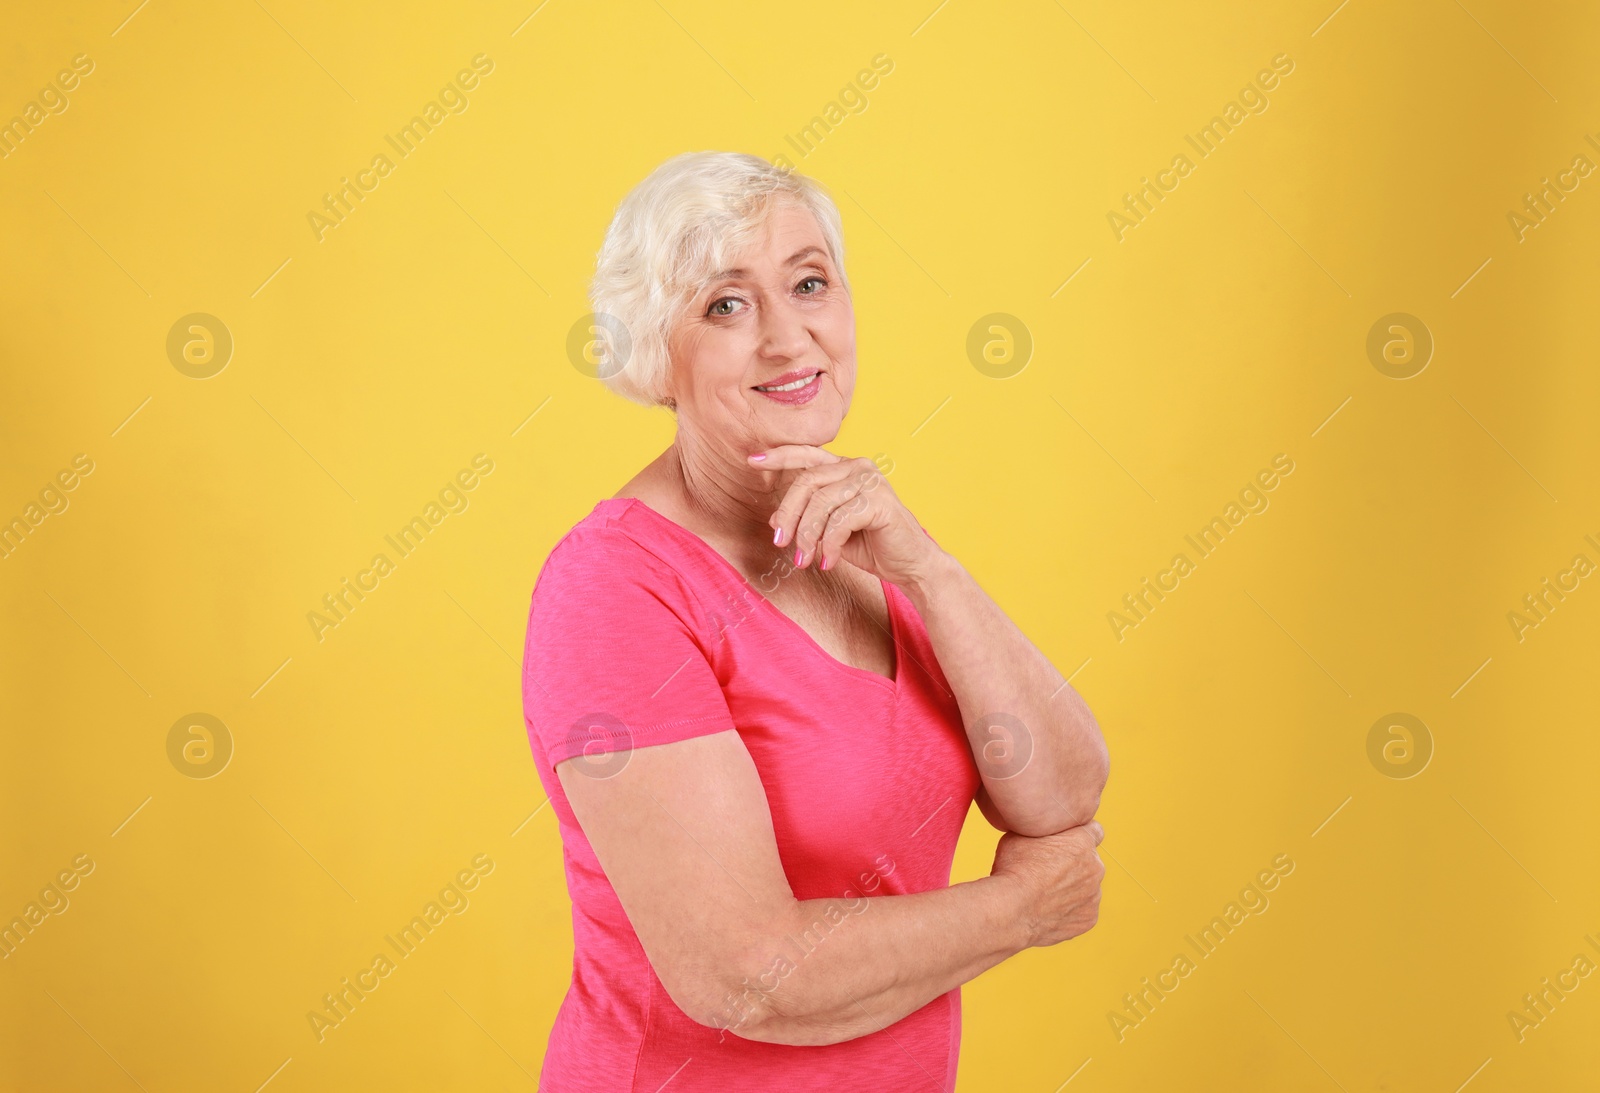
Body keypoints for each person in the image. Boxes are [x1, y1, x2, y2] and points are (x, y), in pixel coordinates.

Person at [521, 150, 1110, 1091]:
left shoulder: (861, 539)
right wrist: (1020, 911)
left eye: (808, 284)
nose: (790, 340)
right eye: (726, 304)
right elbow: (746, 973)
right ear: (651, 349)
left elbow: (1062, 794)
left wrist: (930, 570)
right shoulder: (613, 590)